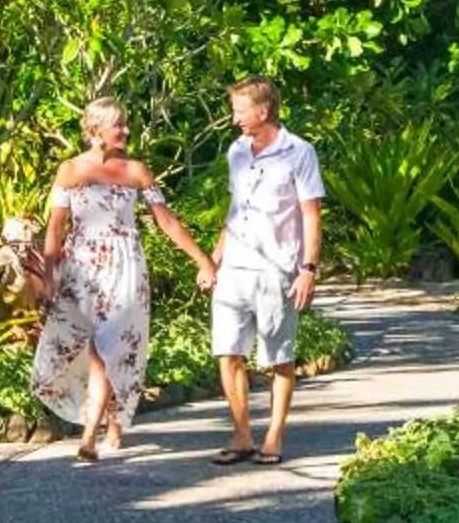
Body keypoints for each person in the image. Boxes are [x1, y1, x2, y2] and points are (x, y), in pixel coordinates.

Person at [32, 98, 217, 463]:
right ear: (97, 130)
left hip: (126, 267)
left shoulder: (137, 172)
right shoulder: (70, 171)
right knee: (80, 345)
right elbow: (55, 229)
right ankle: (112, 420)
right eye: (120, 125)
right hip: (83, 269)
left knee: (106, 348)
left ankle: (89, 434)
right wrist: (50, 277)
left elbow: (167, 221)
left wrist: (203, 261)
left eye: (126, 123)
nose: (127, 131)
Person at [208, 77, 324, 466]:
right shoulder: (237, 151)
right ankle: (241, 434)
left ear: (263, 111)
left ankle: (273, 436)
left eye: (240, 110)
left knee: (279, 357)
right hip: (234, 270)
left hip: (277, 269)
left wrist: (308, 267)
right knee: (228, 351)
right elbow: (234, 206)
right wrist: (215, 256)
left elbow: (310, 214)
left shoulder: (300, 152)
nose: (234, 118)